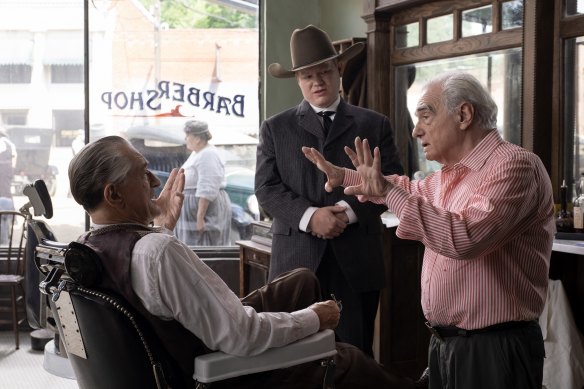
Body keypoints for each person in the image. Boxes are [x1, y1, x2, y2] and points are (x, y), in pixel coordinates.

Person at [68, 135, 414, 389]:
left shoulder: (88, 249)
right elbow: (241, 336)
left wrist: (163, 228)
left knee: (302, 281)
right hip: (213, 369)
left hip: (179, 348)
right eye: (143, 174)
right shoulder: (156, 251)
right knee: (346, 359)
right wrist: (313, 318)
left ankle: (307, 353)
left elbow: (154, 295)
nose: (155, 181)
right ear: (113, 194)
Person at [303, 71, 555, 389]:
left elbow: (464, 238)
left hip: (494, 348)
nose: (415, 129)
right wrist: (348, 176)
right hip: (448, 344)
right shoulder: (449, 176)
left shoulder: (515, 166)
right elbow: (407, 188)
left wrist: (387, 190)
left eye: (425, 116)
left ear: (464, 114)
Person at [255, 24, 404, 356]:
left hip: (357, 260)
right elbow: (266, 189)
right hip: (296, 264)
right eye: (307, 76)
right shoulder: (275, 128)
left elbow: (393, 180)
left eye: (323, 72)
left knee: (354, 357)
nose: (317, 81)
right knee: (294, 360)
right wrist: (311, 217)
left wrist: (348, 214)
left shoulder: (374, 123)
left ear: (339, 70)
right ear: (298, 81)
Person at [174, 120, 231, 246]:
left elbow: (207, 188)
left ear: (198, 138)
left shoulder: (208, 154)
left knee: (204, 244)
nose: (185, 139)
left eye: (188, 135)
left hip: (205, 211)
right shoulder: (197, 153)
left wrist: (200, 218)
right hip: (193, 210)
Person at [0, 127, 17, 245]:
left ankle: (9, 216)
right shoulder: (9, 143)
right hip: (7, 170)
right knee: (7, 194)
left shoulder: (2, 142)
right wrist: (12, 169)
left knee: (4, 194)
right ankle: (12, 217)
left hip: (2, 170)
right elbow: (15, 156)